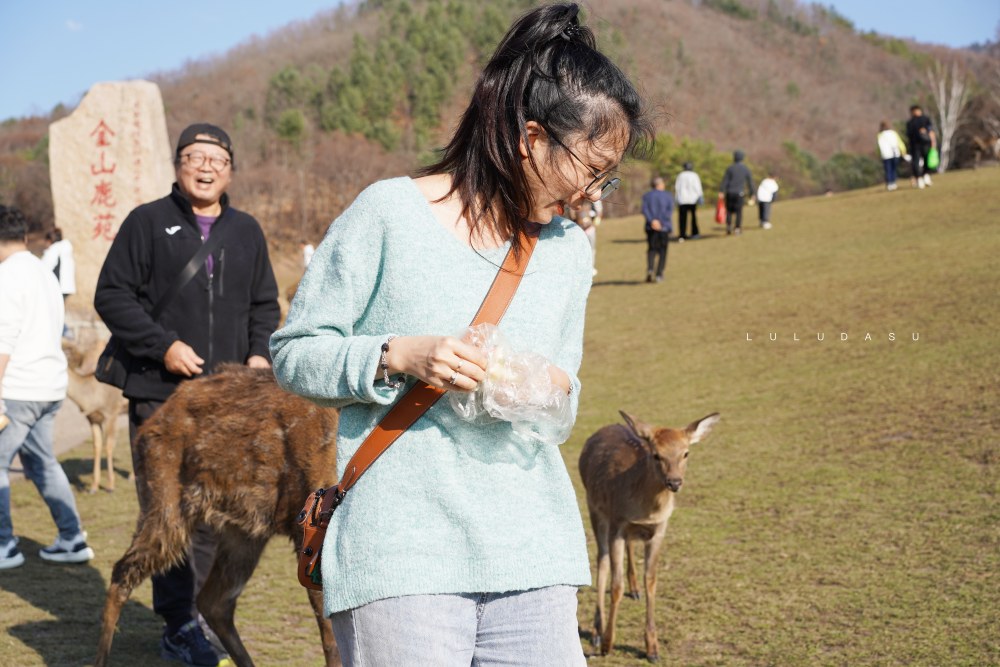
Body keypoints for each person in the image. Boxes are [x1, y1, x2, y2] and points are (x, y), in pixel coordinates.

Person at [270, 4, 652, 665]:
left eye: (606, 176)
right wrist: (401, 354)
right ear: (531, 137)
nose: (592, 194)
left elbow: (564, 395)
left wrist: (542, 387)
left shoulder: (568, 250)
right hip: (402, 555)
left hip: (534, 550)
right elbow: (295, 353)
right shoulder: (388, 213)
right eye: (589, 169)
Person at [94, 123, 280, 666]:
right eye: (194, 157)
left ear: (229, 170)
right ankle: (179, 624)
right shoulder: (146, 223)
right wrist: (163, 346)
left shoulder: (246, 230)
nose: (205, 166)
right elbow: (112, 294)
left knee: (216, 511)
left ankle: (202, 614)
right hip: (161, 394)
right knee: (168, 510)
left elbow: (264, 305)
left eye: (216, 159)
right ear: (177, 165)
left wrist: (259, 354)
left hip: (228, 404)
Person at [0, 205, 95, 571]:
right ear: (24, 236)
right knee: (42, 463)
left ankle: (5, 545)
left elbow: (3, 341)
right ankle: (71, 537)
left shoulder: (7, 277)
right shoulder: (43, 271)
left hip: (18, 388)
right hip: (49, 387)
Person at [40, 227, 77, 338]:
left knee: (52, 312)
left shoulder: (54, 250)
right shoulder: (65, 249)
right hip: (67, 287)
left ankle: (63, 332)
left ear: (49, 241)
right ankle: (63, 332)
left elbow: (44, 267)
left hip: (57, 287)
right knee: (58, 311)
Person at [641, 176, 673, 282]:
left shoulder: (647, 196)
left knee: (652, 249)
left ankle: (650, 269)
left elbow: (644, 210)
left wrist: (652, 221)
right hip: (664, 227)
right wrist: (661, 222)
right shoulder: (668, 196)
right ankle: (659, 274)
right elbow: (669, 211)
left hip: (651, 227)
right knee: (663, 251)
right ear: (660, 184)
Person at [719, 149, 754, 236]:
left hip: (729, 193)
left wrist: (721, 191)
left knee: (729, 211)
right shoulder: (745, 169)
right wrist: (752, 193)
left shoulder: (730, 168)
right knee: (739, 212)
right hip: (739, 193)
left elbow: (725, 181)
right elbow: (750, 182)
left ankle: (729, 226)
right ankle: (737, 228)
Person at [905, 105, 936, 189]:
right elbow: (908, 135)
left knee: (927, 160)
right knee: (915, 162)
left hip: (926, 143)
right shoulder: (910, 123)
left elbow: (931, 131)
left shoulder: (925, 119)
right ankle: (919, 178)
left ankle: (926, 175)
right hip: (915, 146)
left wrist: (933, 142)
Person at [674, 161, 703, 241]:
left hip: (682, 200)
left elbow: (677, 188)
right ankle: (695, 233)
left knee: (682, 218)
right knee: (693, 217)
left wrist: (676, 199)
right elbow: (698, 187)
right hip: (693, 200)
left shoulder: (680, 175)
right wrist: (700, 196)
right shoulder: (694, 175)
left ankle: (682, 235)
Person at [877, 121, 908, 191]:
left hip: (886, 155)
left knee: (889, 169)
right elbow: (899, 143)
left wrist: (879, 154)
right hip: (894, 154)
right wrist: (903, 150)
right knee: (893, 169)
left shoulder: (880, 135)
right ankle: (892, 183)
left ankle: (890, 183)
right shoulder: (893, 133)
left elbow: (879, 146)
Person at [576, 199, 601, 275]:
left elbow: (598, 212)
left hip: (590, 229)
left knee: (592, 250)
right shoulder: (576, 205)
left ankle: (591, 267)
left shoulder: (592, 202)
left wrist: (595, 221)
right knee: (581, 250)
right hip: (579, 230)